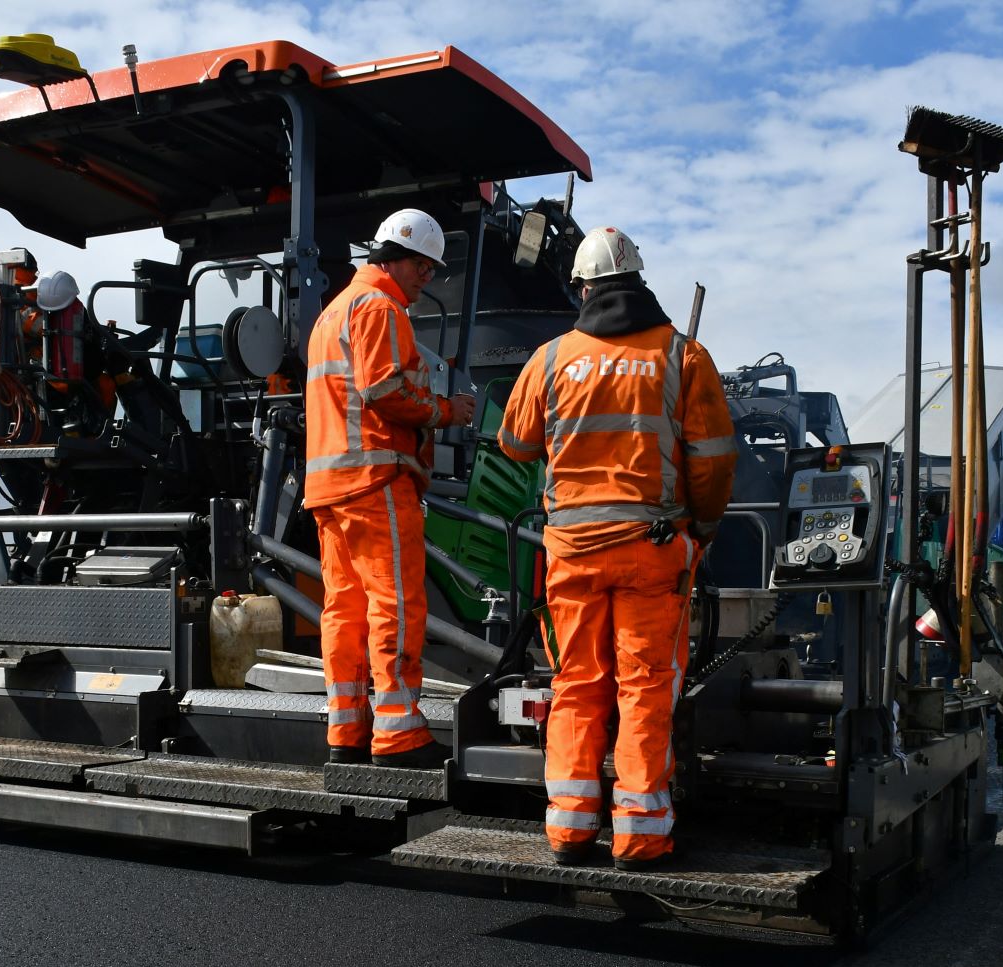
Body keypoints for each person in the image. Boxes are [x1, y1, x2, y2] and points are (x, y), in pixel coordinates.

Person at [496, 226, 737, 870]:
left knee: (577, 684)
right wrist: (703, 527)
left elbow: (514, 444)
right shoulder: (683, 356)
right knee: (645, 688)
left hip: (572, 552)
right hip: (651, 550)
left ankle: (570, 830)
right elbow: (713, 461)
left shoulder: (551, 358)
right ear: (639, 281)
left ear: (583, 289)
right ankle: (640, 835)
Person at [305, 209, 476, 767]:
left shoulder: (333, 312)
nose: (427, 279)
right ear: (398, 259)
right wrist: (447, 411)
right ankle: (399, 734)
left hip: (330, 485)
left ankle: (346, 731)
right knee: (395, 604)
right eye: (423, 267)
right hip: (376, 478)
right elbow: (384, 389)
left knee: (344, 609)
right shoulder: (380, 307)